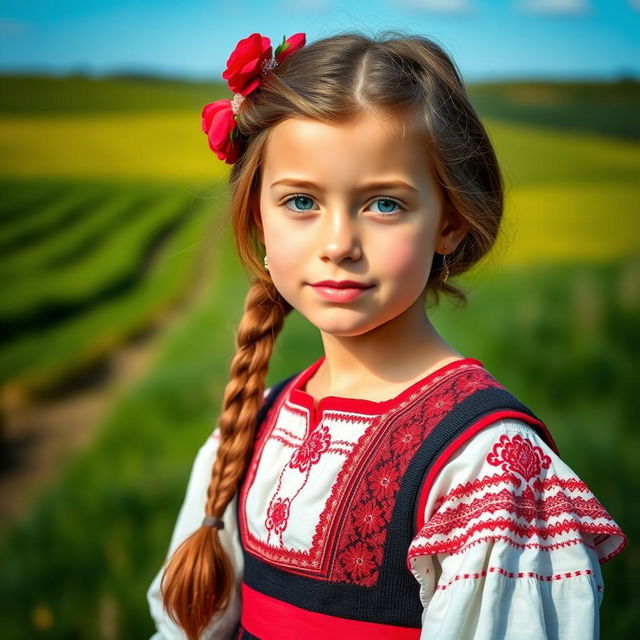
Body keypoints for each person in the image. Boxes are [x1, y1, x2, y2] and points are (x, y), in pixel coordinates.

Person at [146, 30, 627, 640]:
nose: (338, 244)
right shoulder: (255, 428)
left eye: (384, 205)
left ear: (449, 222)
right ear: (257, 218)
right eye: (300, 201)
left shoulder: (484, 466)